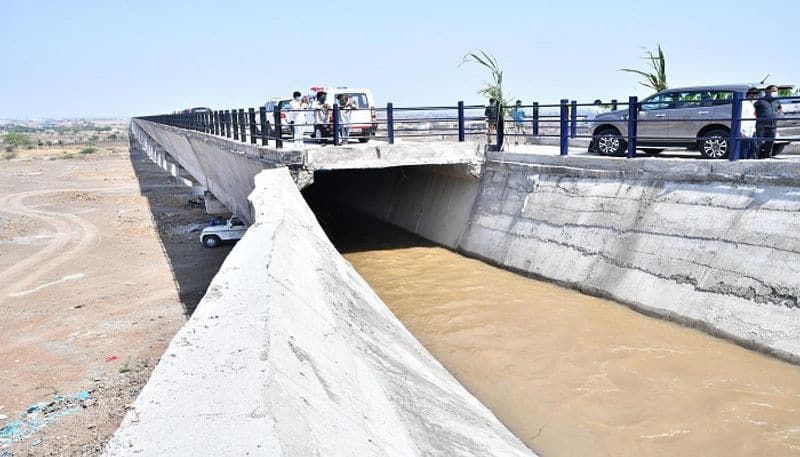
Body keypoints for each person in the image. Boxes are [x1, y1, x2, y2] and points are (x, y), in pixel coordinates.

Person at [753, 89, 776, 159]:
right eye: (772, 92)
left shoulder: (776, 101)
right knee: (758, 141)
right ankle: (755, 155)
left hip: (773, 124)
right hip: (762, 124)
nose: (772, 93)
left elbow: (779, 109)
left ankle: (767, 155)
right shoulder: (760, 101)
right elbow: (753, 108)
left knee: (770, 141)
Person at [741, 89, 758, 159]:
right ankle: (743, 160)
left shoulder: (751, 104)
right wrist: (741, 131)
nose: (756, 97)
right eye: (755, 95)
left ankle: (750, 160)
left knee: (753, 146)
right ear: (750, 95)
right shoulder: (744, 103)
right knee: (745, 147)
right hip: (745, 129)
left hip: (752, 129)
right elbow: (741, 116)